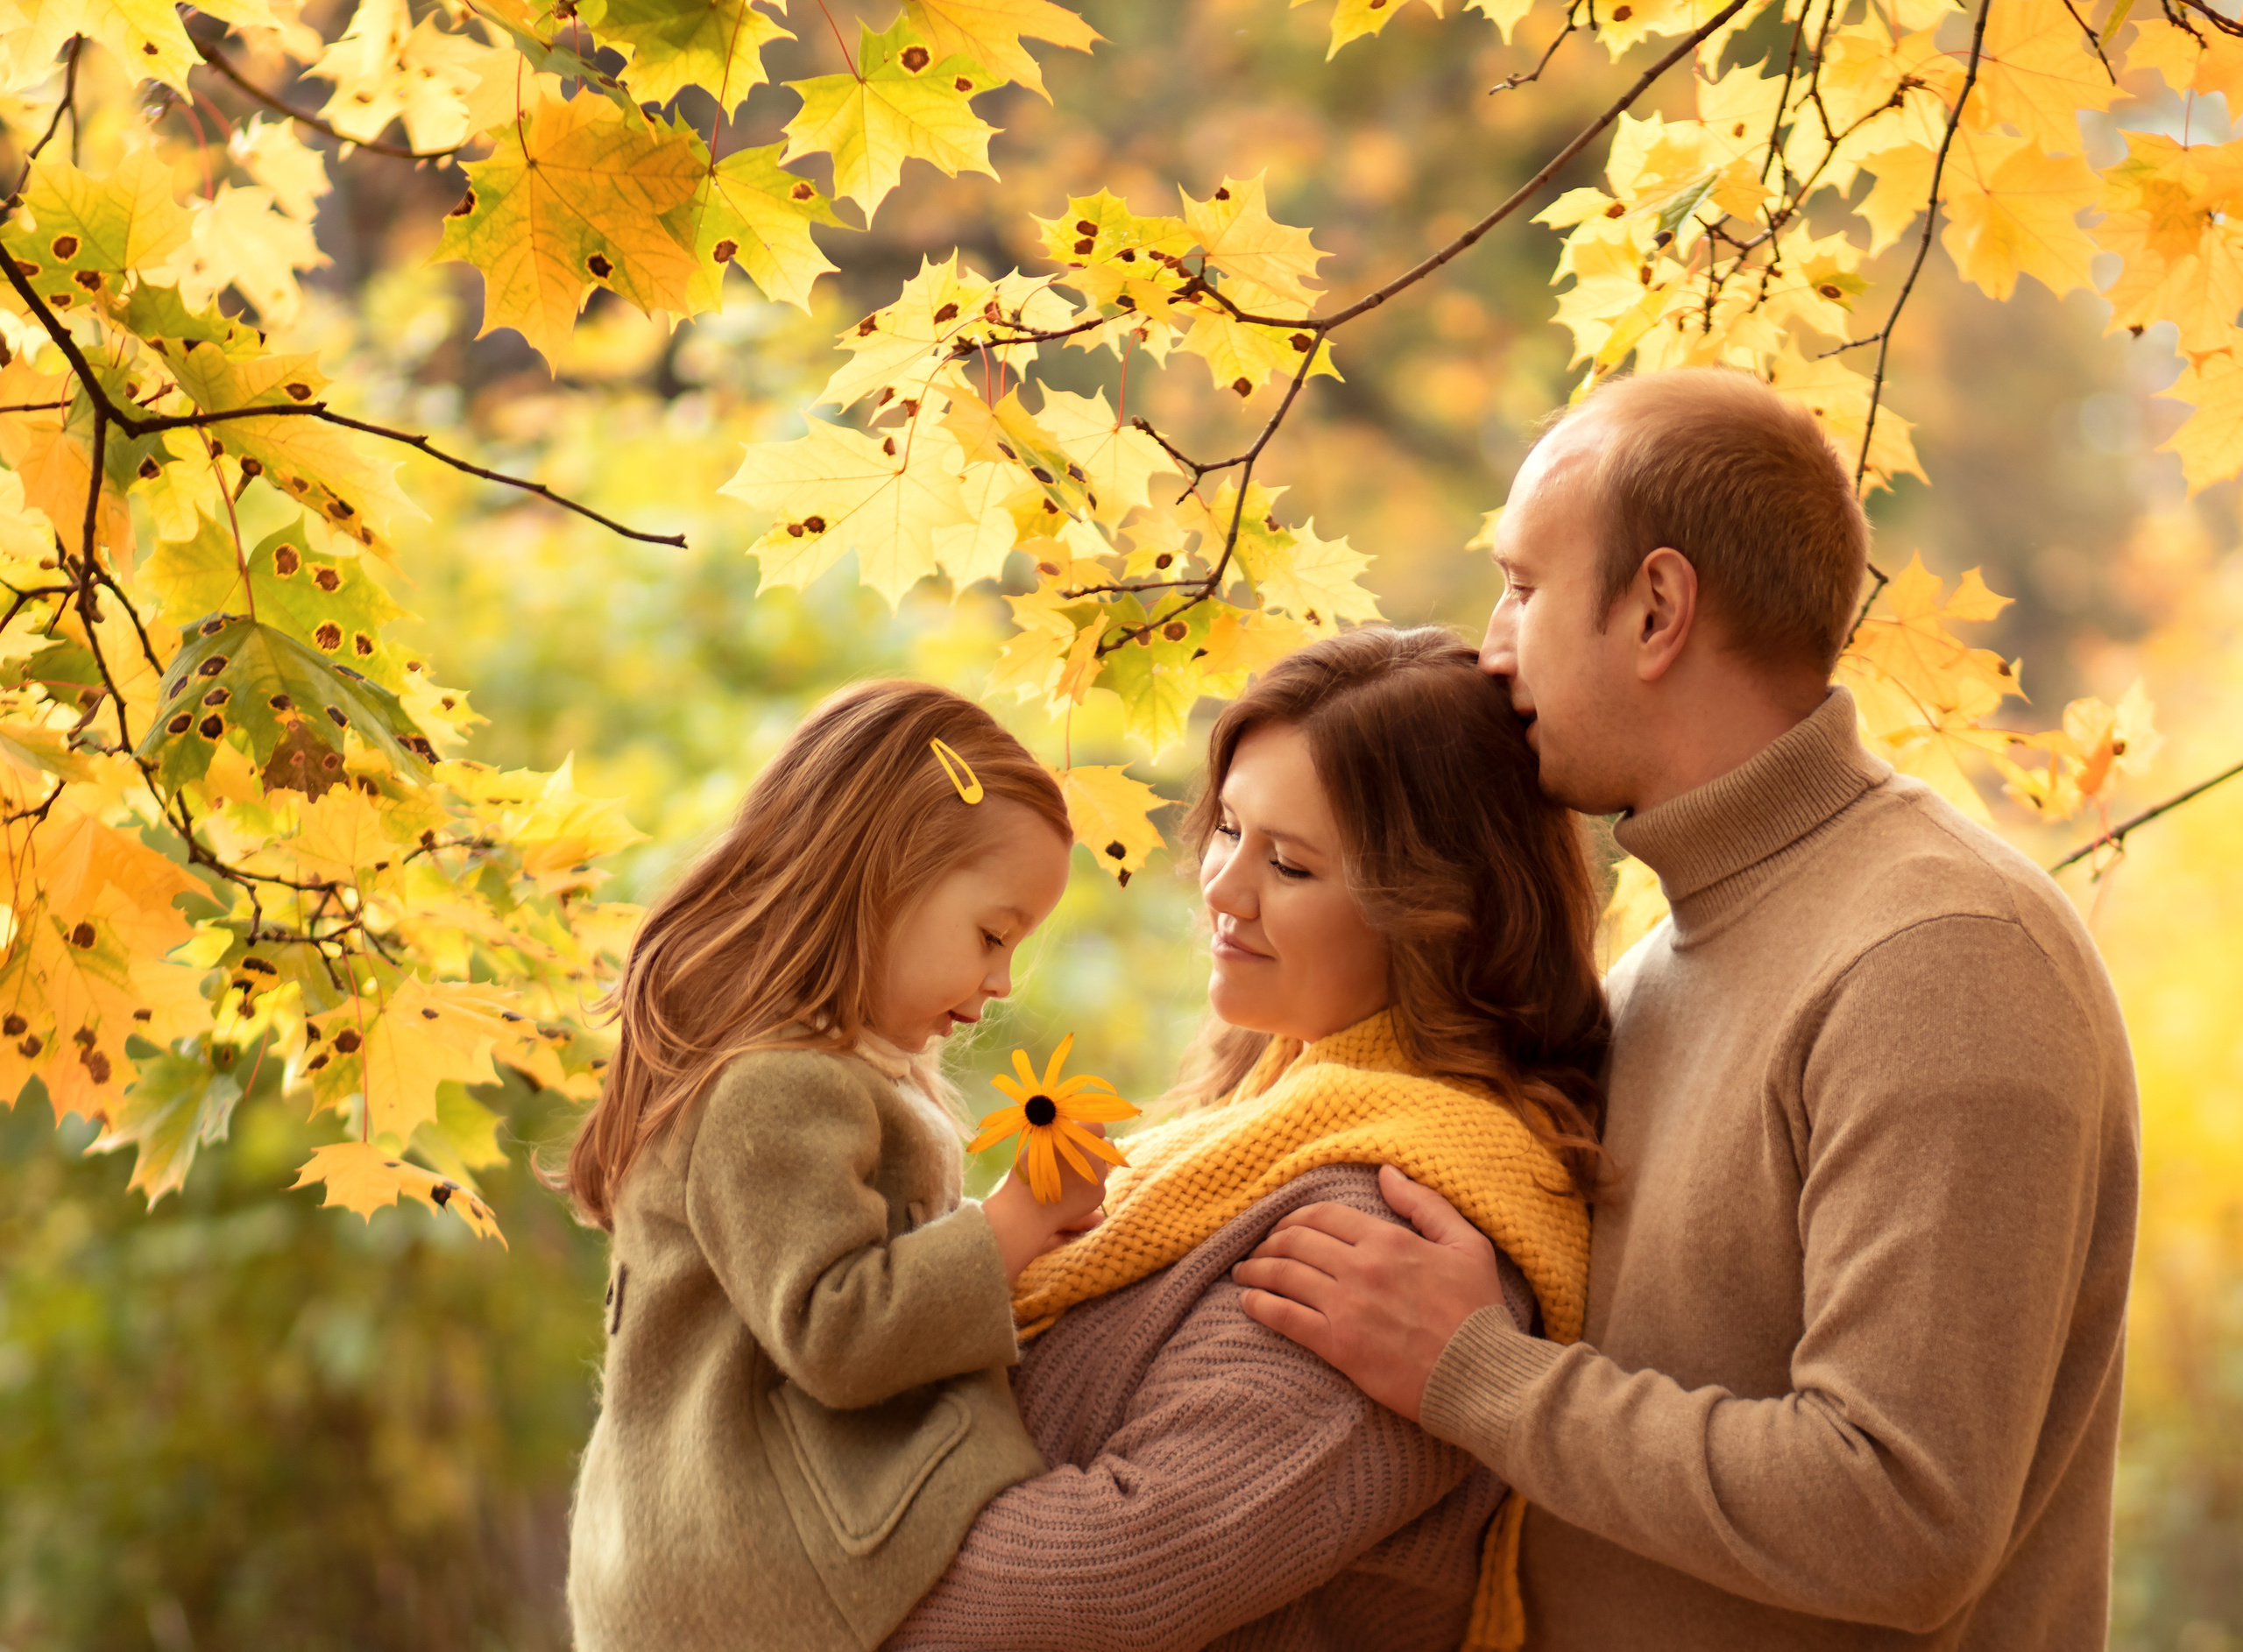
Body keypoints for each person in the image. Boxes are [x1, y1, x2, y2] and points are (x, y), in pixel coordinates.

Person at [1233, 368, 2140, 1648]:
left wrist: (1476, 1374)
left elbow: (1902, 1515)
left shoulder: (1939, 957)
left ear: (1656, 608)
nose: (1493, 646)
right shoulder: (1661, 957)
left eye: (1525, 588)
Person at [886, 626, 1610, 1652]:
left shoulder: (1389, 1227)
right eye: (1227, 827)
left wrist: (778, 1553)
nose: (1221, 888)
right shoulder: (1257, 1123)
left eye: (1293, 865)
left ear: (1438, 915)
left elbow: (1081, 1593)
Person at [560, 681, 1114, 1652]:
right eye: (993, 934)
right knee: (1110, 1572)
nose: (1000, 983)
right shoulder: (773, 1088)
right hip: (753, 1572)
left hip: (717, 1564)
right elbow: (836, 1326)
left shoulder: (821, 1073)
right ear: (884, 876)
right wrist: (1012, 1224)